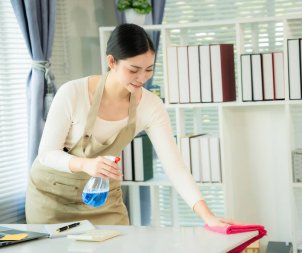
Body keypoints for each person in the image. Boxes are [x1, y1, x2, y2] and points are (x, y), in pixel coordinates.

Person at [25, 23, 238, 227]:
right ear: (111, 61)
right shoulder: (73, 93)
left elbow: (175, 166)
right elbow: (46, 153)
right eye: (134, 69)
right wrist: (85, 164)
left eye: (148, 69)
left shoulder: (151, 106)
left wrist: (207, 216)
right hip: (52, 197)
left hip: (101, 198)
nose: (142, 78)